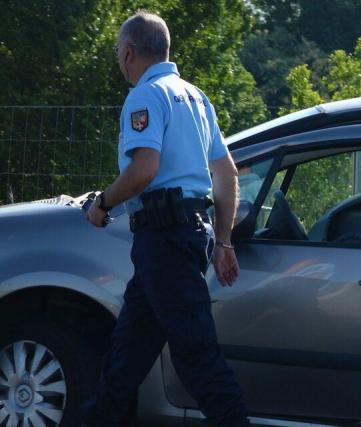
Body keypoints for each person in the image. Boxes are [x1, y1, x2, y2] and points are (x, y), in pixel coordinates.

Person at [82, 10, 250, 427]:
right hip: (185, 237)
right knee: (127, 354)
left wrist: (102, 204)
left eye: (119, 52)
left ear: (129, 53)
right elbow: (226, 174)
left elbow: (144, 170)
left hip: (164, 239)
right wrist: (224, 242)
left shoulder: (145, 94)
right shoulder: (195, 96)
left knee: (196, 357)